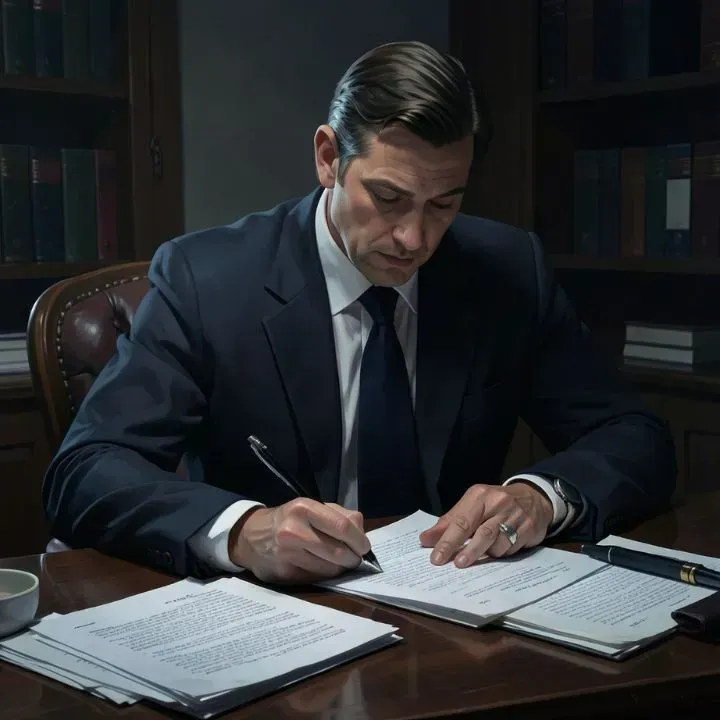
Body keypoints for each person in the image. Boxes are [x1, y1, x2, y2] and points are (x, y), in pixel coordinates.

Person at [43, 41, 676, 585]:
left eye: (444, 204)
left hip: (456, 611)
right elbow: (86, 470)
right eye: (388, 197)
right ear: (327, 157)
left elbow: (634, 438)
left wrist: (540, 497)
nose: (414, 238)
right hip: (280, 624)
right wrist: (243, 532)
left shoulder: (507, 271)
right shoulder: (207, 280)